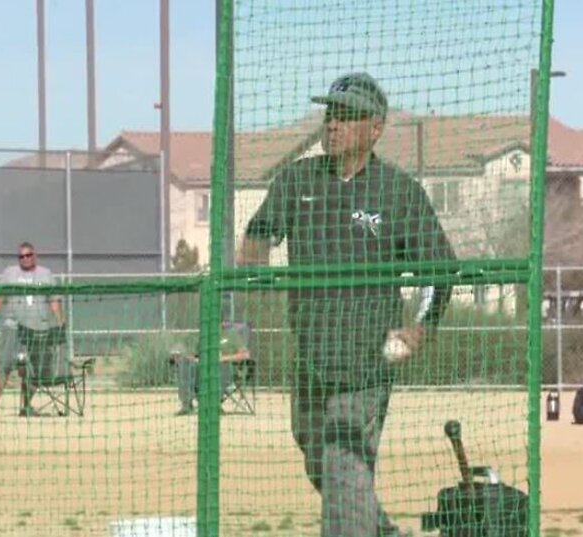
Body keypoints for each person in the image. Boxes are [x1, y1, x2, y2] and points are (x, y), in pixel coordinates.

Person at [237, 72, 456, 536]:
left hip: (365, 362)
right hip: (311, 358)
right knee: (319, 458)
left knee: (343, 464)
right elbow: (258, 234)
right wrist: (252, 262)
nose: (332, 125)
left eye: (346, 116)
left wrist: (419, 327)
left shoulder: (398, 192)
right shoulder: (297, 180)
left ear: (374, 128)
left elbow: (440, 270)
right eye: (330, 115)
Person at [0, 241, 64, 417]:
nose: (25, 259)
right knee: (5, 364)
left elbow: (54, 300)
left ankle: (25, 407)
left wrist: (60, 321)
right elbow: (0, 297)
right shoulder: (9, 273)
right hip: (13, 325)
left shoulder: (46, 274)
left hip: (38, 327)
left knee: (34, 368)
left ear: (35, 255)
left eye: (28, 255)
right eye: (21, 256)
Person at [171, 322, 251, 416]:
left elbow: (245, 355)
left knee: (219, 369)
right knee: (185, 365)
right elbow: (195, 355)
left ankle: (213, 404)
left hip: (226, 366)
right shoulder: (204, 337)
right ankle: (186, 404)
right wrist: (185, 358)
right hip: (204, 367)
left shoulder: (232, 335)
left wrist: (222, 358)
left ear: (222, 323)